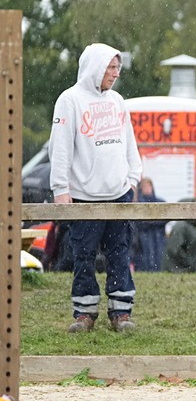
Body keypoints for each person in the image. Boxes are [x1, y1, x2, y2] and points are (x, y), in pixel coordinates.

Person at [49, 43, 142, 333]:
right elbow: (60, 148)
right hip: (83, 196)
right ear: (96, 67)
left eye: (117, 68)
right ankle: (85, 312)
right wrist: (60, 189)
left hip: (118, 194)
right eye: (110, 68)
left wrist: (133, 177)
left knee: (120, 252)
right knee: (83, 255)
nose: (115, 74)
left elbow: (129, 142)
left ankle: (121, 312)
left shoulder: (117, 100)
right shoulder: (69, 100)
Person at [133, 177, 166, 272]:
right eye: (144, 186)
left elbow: (165, 219)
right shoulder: (137, 204)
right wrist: (155, 220)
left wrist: (149, 221)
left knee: (158, 258)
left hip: (158, 238)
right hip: (142, 239)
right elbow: (139, 223)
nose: (147, 188)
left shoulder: (160, 202)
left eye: (149, 186)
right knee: (143, 259)